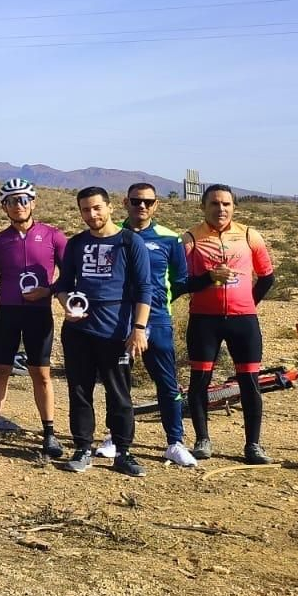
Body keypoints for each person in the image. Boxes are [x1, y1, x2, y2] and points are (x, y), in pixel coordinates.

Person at [53, 187, 152, 477]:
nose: (92, 214)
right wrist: (66, 305)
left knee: (119, 394)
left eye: (97, 208)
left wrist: (139, 328)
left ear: (109, 207)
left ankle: (123, 452)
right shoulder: (76, 244)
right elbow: (62, 285)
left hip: (116, 332)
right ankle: (83, 448)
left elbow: (144, 289)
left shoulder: (129, 242)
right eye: (85, 209)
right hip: (78, 330)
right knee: (80, 391)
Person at [183, 184, 277, 465]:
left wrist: (247, 305)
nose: (220, 209)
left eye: (226, 204)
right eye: (214, 203)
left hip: (243, 322)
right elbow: (182, 282)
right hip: (204, 321)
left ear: (234, 207)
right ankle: (202, 440)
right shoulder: (190, 239)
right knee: (200, 381)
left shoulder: (250, 235)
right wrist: (209, 278)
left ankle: (253, 445)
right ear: (203, 207)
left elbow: (267, 277)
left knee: (249, 382)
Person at [0, 178, 66, 457]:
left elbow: (70, 275)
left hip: (39, 314)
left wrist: (48, 291)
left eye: (24, 199)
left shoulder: (53, 236)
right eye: (12, 201)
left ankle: (49, 434)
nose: (19, 205)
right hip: (8, 314)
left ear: (33, 202)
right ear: (4, 207)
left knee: (41, 374)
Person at [122, 182, 193, 466]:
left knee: (166, 382)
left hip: (158, 320)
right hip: (121, 319)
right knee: (119, 381)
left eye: (148, 202)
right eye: (137, 201)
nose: (142, 206)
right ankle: (117, 436)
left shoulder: (169, 238)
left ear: (156, 205)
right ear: (125, 202)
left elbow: (180, 280)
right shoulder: (114, 233)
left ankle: (175, 442)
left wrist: (158, 302)